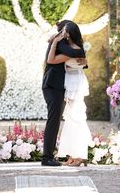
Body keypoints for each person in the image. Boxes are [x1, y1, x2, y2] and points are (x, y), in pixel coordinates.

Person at [41, 20, 86, 166]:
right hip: (52, 85)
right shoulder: (61, 44)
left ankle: (48, 156)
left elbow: (79, 57)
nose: (64, 34)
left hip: (56, 86)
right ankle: (47, 157)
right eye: (63, 31)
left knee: (55, 120)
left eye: (66, 32)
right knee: (53, 120)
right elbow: (52, 60)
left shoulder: (62, 44)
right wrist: (55, 41)